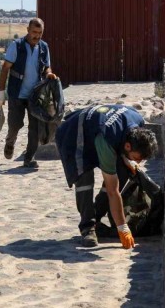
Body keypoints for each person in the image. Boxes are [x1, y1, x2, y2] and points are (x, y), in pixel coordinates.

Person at [55, 104, 158, 249]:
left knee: (123, 172)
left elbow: (123, 145)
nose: (138, 162)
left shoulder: (138, 122)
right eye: (137, 157)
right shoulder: (107, 139)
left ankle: (96, 215)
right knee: (85, 180)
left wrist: (129, 161)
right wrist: (122, 227)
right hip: (73, 135)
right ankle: (87, 228)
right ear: (128, 146)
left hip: (95, 130)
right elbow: (112, 191)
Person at [0, 18, 57, 169]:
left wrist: (49, 74)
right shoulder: (17, 46)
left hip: (35, 95)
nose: (36, 36)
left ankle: (29, 158)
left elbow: (47, 67)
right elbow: (5, 68)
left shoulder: (43, 47)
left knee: (34, 128)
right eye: (34, 32)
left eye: (40, 33)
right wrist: (1, 92)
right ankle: (10, 142)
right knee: (15, 125)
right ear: (28, 30)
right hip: (17, 93)